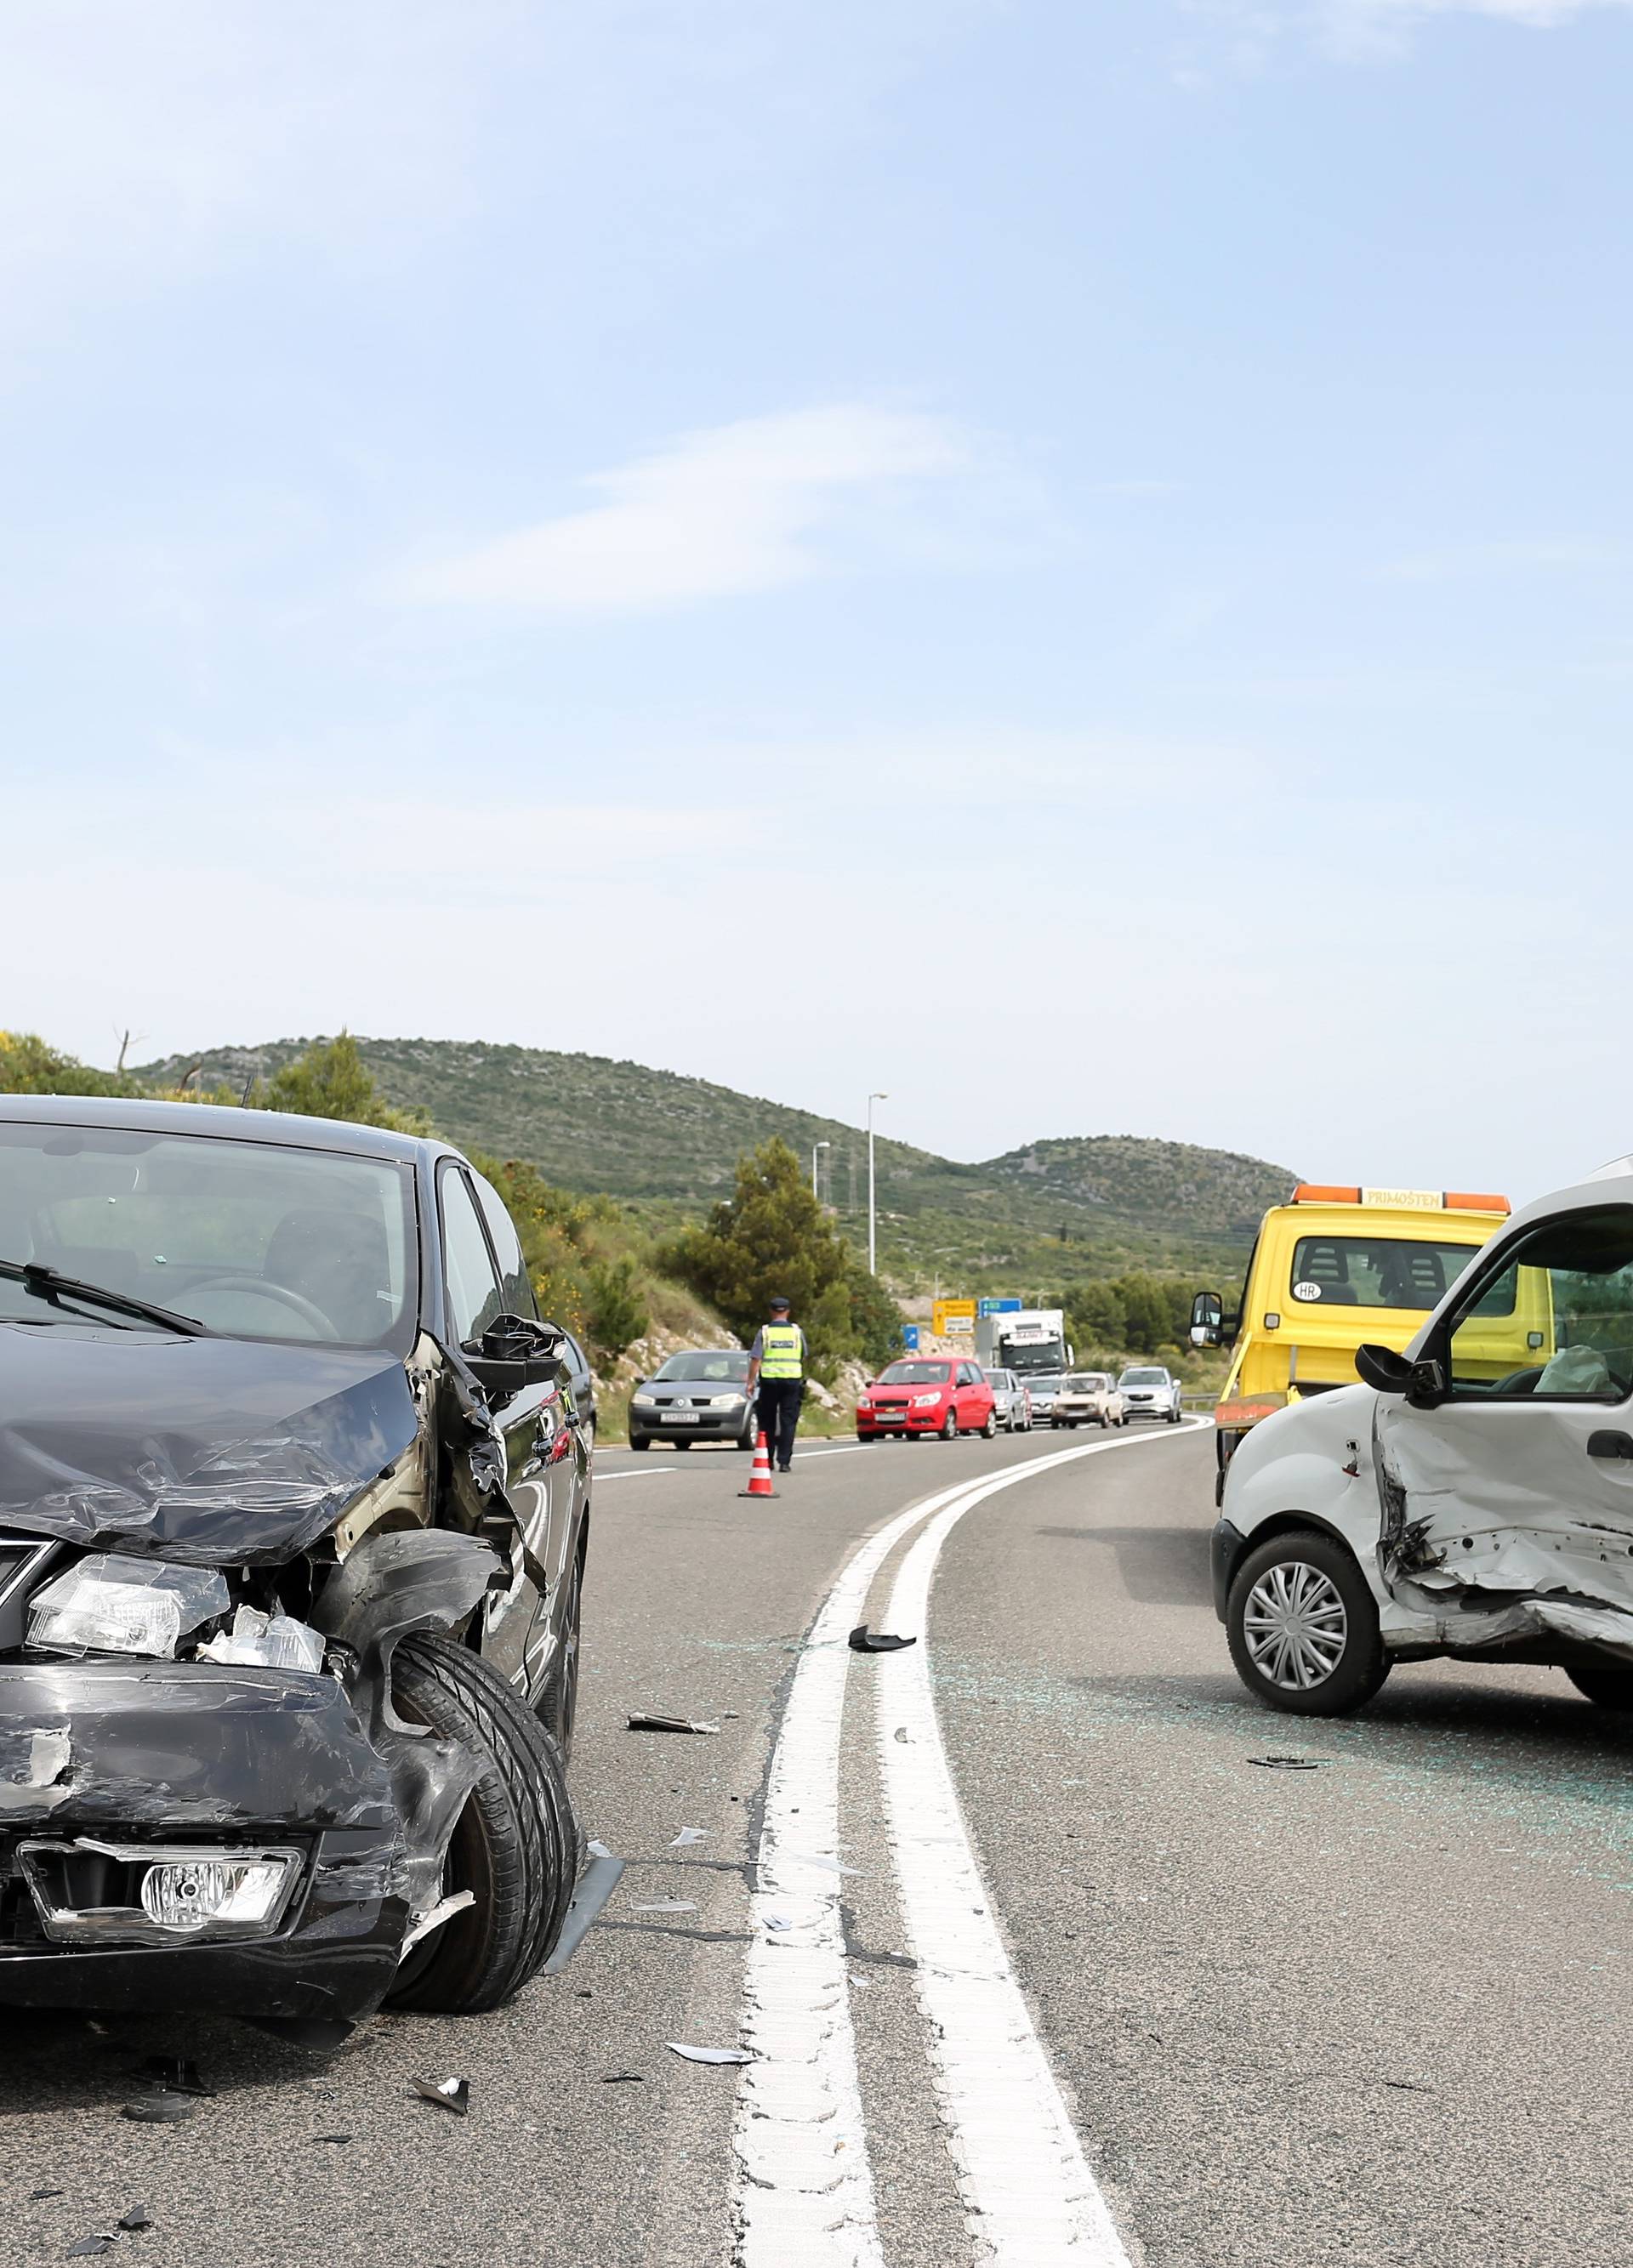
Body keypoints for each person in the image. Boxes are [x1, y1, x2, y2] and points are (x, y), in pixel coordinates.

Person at [746, 1295, 807, 1474]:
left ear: (771, 1312)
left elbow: (756, 1359)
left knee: (767, 1421)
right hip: (792, 1380)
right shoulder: (797, 1332)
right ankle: (785, 1461)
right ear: (788, 1312)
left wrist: (750, 1382)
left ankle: (768, 1460)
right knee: (788, 1421)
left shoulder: (764, 1332)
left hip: (769, 1381)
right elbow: (804, 1355)